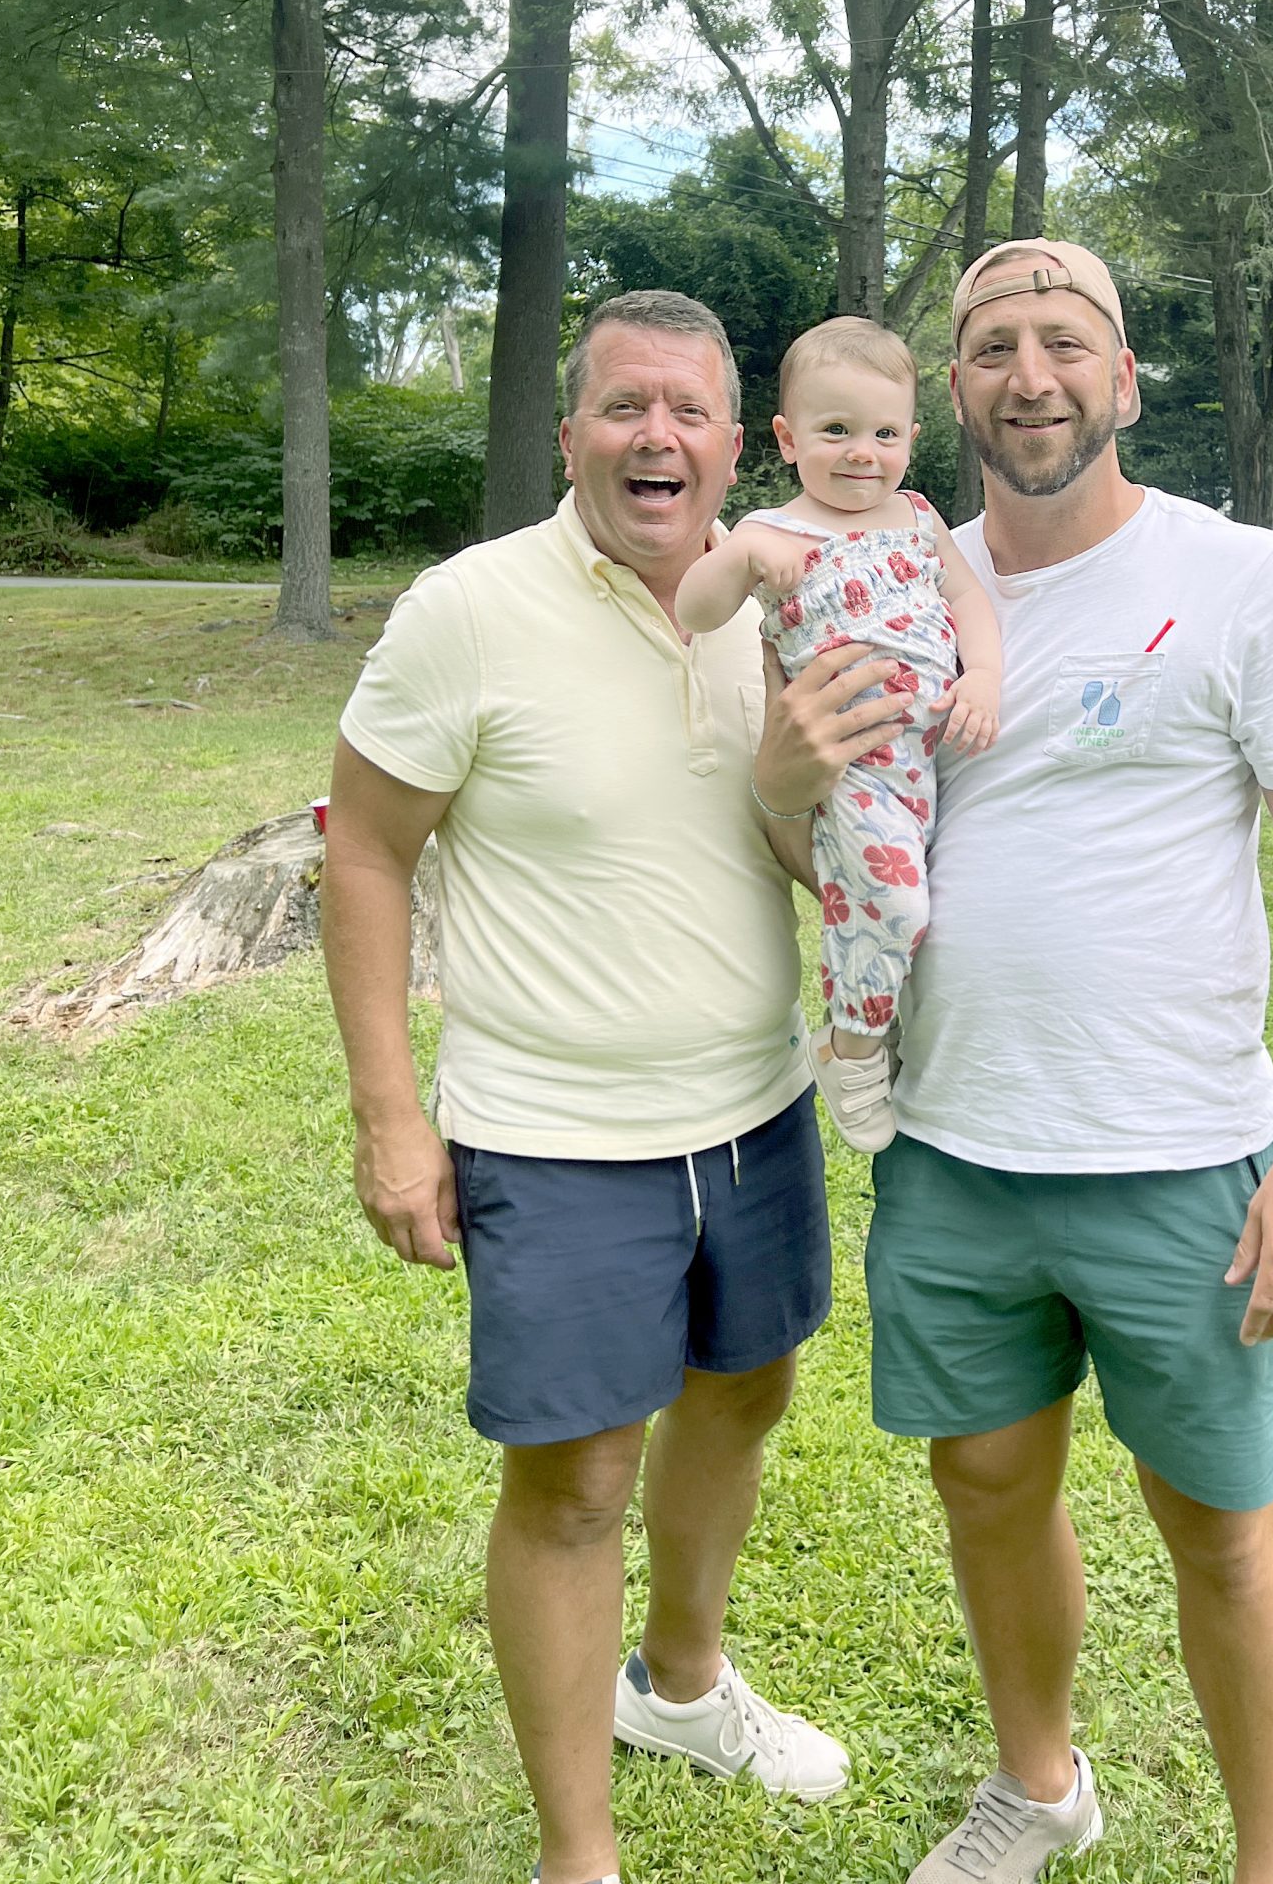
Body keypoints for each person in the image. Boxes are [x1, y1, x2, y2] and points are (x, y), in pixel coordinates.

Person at [320, 289, 910, 1884]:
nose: (660, 437)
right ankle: (576, 1855)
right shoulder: (468, 610)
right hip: (554, 1132)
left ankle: (685, 1684)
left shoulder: (789, 601)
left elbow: (807, 851)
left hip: (760, 1108)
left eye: (690, 411)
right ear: (569, 430)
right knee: (578, 1479)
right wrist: (390, 1118)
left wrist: (802, 791)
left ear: (739, 442)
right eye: (626, 407)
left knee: (747, 1392)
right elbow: (366, 850)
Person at [865, 240, 1273, 1884]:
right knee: (986, 1484)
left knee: (1220, 1528)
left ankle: (1271, 1869)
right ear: (952, 388)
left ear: (1125, 379)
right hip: (953, 1147)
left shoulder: (1243, 580)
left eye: (1065, 341)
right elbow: (817, 829)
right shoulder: (896, 586)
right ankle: (1040, 1787)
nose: (1030, 375)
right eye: (993, 347)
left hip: (1179, 1159)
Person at [679, 316, 1003, 1153]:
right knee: (893, 901)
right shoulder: (771, 531)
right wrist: (741, 558)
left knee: (911, 911)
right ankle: (851, 1049)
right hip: (851, 765)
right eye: (836, 431)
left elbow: (969, 601)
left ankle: (880, 1017)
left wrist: (983, 675)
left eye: (884, 434)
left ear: (912, 439)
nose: (863, 453)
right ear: (788, 439)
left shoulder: (919, 518)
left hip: (928, 757)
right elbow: (695, 609)